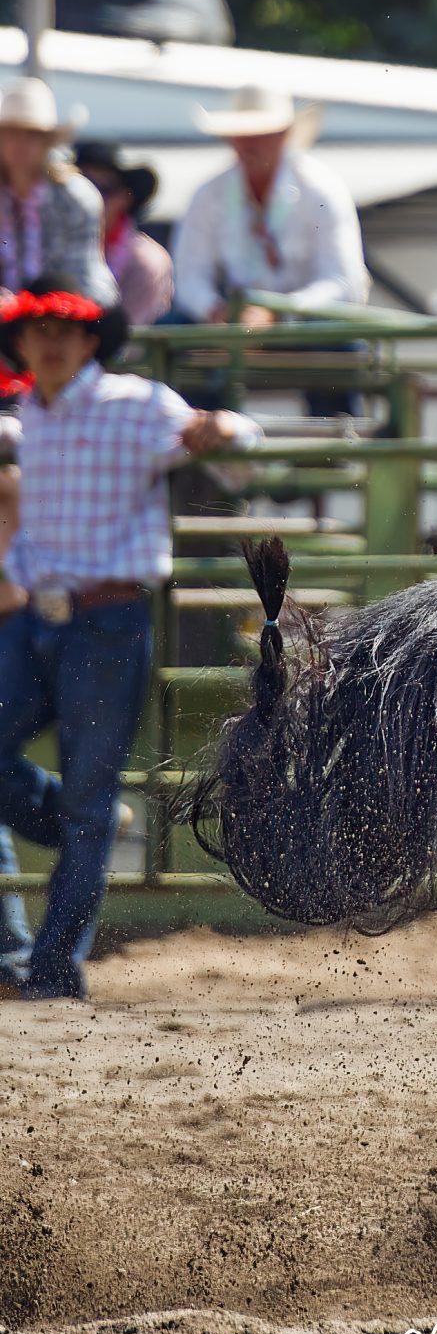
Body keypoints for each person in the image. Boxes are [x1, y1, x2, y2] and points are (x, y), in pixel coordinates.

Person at [0, 277, 258, 999]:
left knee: (86, 794)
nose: (49, 341)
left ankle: (50, 968)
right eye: (37, 329)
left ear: (89, 341)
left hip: (102, 621)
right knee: (84, 802)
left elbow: (235, 439)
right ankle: (76, 844)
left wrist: (225, 431)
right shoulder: (33, 412)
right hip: (44, 619)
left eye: (64, 329)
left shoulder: (137, 405)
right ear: (22, 342)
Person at [170, 85, 368, 328]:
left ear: (284, 135)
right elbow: (190, 276)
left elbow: (342, 283)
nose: (249, 143)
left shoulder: (321, 190)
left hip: (307, 328)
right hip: (233, 323)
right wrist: (214, 311)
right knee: (168, 324)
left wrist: (280, 314)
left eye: (261, 132)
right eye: (241, 133)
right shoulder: (209, 194)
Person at [0, 80, 115, 305]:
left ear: (47, 142)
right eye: (11, 134)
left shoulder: (76, 198)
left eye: (32, 135)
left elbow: (80, 277)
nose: (20, 144)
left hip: (64, 314)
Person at [73, 142, 174, 329]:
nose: (89, 198)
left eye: (103, 189)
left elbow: (129, 346)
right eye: (80, 187)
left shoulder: (146, 262)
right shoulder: (48, 244)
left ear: (125, 198)